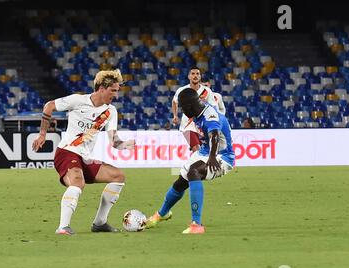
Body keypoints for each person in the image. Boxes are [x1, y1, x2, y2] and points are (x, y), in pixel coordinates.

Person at [32, 69, 135, 236]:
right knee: (78, 182)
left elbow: (114, 141)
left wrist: (124, 145)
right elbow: (49, 106)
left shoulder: (111, 112)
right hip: (67, 152)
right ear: (101, 88)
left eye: (117, 91)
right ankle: (63, 227)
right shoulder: (77, 100)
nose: (115, 95)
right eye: (113, 90)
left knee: (118, 176)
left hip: (85, 158)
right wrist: (42, 134)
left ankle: (100, 223)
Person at [146, 88, 234, 234]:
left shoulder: (210, 116)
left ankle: (197, 225)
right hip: (204, 152)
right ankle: (161, 214)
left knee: (194, 171)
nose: (182, 112)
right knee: (181, 183)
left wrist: (212, 157)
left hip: (221, 156)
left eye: (182, 108)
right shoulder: (198, 108)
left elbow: (214, 135)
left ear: (189, 106)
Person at [171, 67, 226, 152]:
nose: (195, 76)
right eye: (193, 74)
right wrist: (175, 115)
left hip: (202, 125)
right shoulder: (182, 90)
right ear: (189, 76)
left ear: (200, 77)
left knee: (203, 152)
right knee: (196, 148)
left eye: (197, 74)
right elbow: (175, 101)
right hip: (187, 125)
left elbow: (213, 107)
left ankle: (193, 165)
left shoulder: (207, 91)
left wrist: (206, 104)